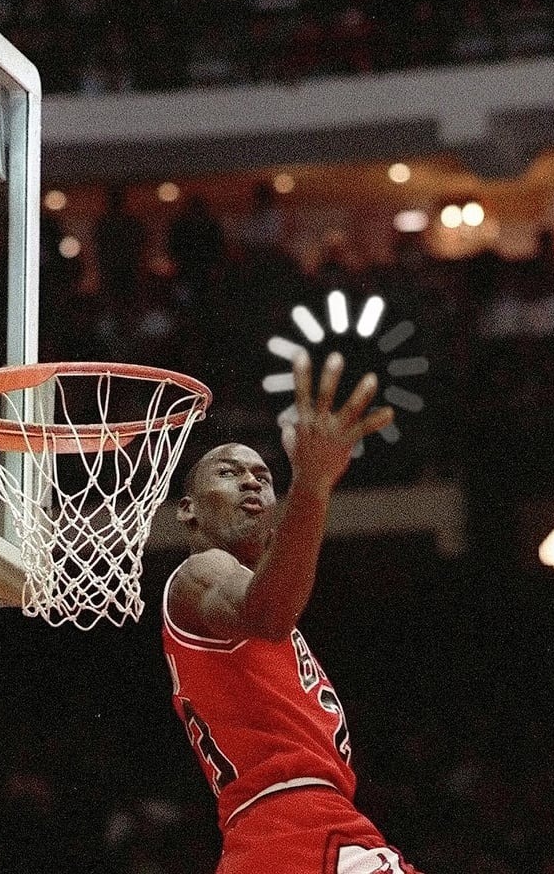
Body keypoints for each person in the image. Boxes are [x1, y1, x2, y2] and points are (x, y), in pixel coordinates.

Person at [162, 350, 427, 873]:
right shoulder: (199, 573)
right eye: (229, 472)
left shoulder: (262, 597)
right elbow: (266, 614)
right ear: (188, 510)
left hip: (273, 838)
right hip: (296, 827)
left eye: (263, 476)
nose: (251, 481)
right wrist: (311, 481)